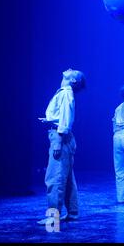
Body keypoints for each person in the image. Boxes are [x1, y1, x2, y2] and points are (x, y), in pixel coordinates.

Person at [37, 68, 86, 225]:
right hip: (62, 136)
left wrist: (58, 140)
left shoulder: (65, 93)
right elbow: (61, 117)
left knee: (54, 178)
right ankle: (73, 212)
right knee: (67, 178)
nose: (69, 68)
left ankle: (53, 217)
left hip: (61, 137)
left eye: (74, 71)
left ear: (73, 80)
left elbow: (65, 119)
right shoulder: (64, 92)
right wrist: (49, 120)